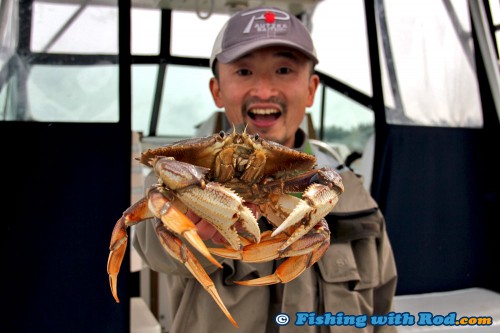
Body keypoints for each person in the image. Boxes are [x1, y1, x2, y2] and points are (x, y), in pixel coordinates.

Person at [133, 5, 397, 333]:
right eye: (244, 72)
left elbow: (383, 310)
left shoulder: (349, 191)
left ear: (312, 89)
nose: (264, 91)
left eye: (284, 70)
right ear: (217, 90)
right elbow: (153, 248)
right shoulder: (181, 173)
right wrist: (189, 223)